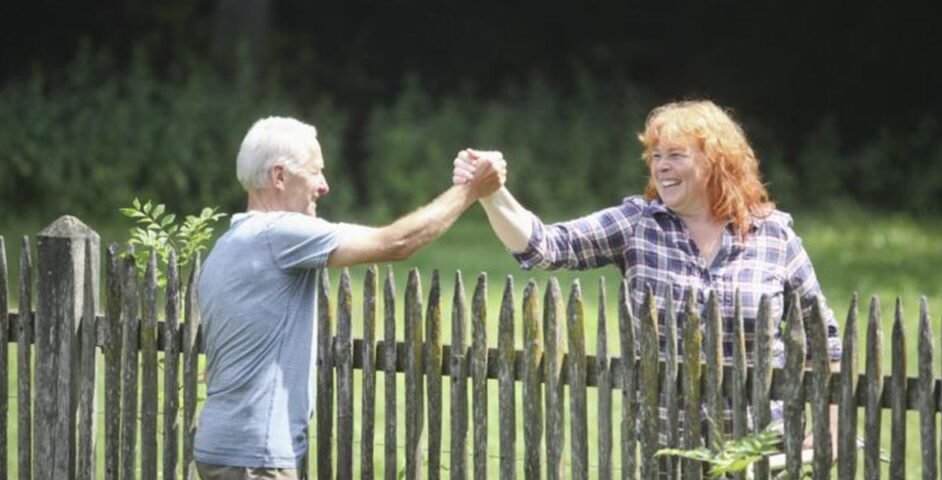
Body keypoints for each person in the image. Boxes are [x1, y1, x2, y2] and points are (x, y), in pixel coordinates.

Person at [454, 100, 842, 468]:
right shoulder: (638, 225)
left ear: (716, 162)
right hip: (668, 451)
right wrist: (491, 193)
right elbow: (545, 247)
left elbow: (823, 340)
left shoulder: (773, 236)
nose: (662, 167)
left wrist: (833, 428)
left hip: (759, 453)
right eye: (656, 157)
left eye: (676, 155)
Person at [195, 116, 504, 480]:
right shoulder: (278, 234)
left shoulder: (226, 247)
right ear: (279, 177)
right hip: (255, 457)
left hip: (219, 448)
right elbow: (397, 243)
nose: (324, 186)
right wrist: (470, 191)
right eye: (315, 173)